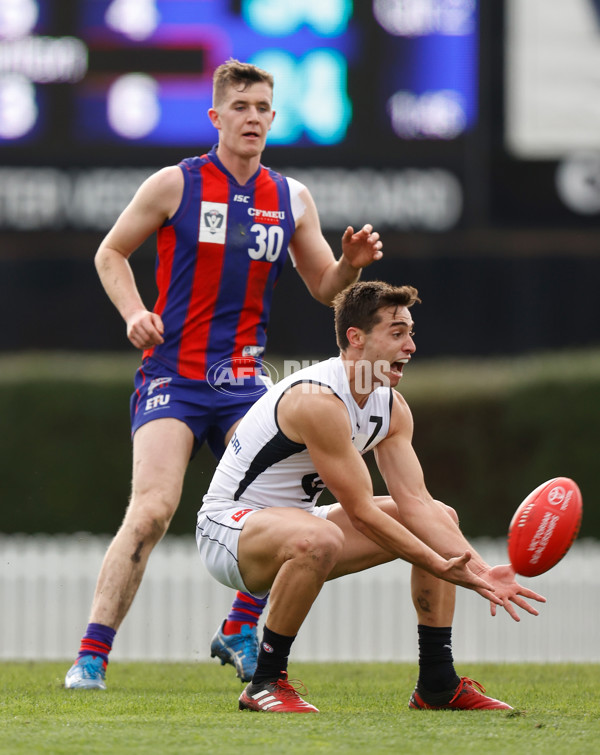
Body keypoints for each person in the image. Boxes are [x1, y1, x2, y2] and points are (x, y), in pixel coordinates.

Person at [64, 59, 383, 690]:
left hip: (241, 381)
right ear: (216, 117)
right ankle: (91, 657)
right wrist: (134, 312)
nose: (254, 118)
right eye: (242, 107)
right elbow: (110, 252)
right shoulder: (174, 185)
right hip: (174, 376)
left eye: (264, 107)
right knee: (153, 509)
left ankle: (239, 627)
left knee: (295, 499)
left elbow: (325, 288)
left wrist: (348, 266)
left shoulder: (289, 197)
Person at [196, 280, 546, 713]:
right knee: (320, 539)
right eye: (397, 333)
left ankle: (437, 683)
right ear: (355, 339)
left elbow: (416, 503)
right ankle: (265, 682)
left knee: (440, 518)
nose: (411, 346)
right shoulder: (317, 400)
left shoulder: (391, 407)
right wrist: (437, 563)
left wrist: (479, 569)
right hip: (227, 531)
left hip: (295, 524)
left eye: (411, 333)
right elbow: (361, 513)